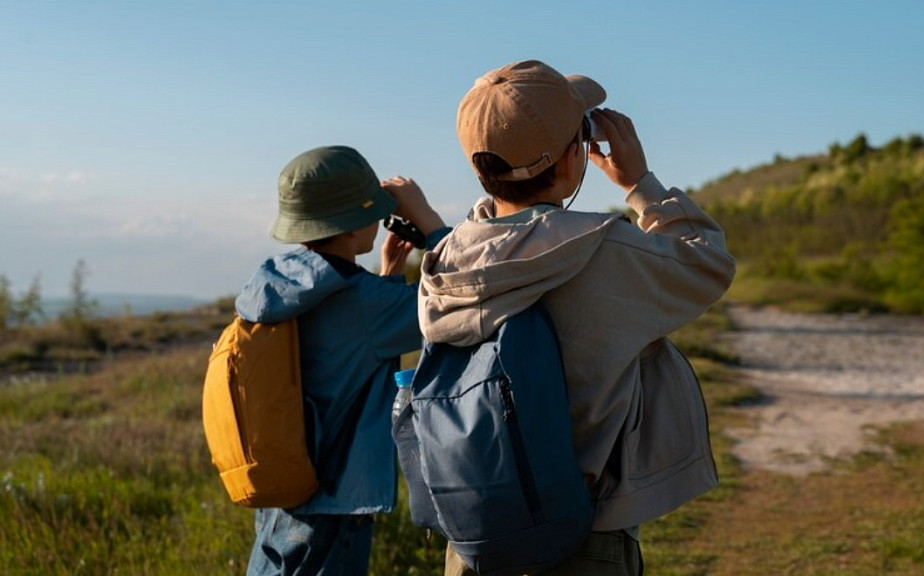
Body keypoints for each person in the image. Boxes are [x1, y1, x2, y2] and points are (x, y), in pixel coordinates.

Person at [417, 60, 737, 575]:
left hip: (476, 537)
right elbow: (707, 262)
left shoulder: (447, 259)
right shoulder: (601, 249)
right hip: (583, 539)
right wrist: (640, 184)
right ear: (572, 160)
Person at [236, 145, 447, 576]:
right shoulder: (367, 304)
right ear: (354, 227)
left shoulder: (279, 280)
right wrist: (430, 224)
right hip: (334, 507)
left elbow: (347, 344)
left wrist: (387, 276)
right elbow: (458, 297)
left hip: (285, 494)